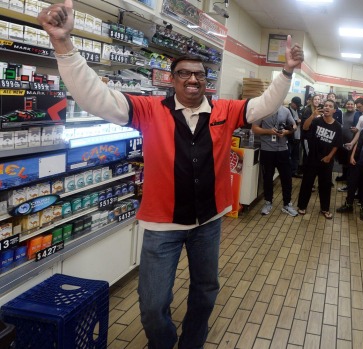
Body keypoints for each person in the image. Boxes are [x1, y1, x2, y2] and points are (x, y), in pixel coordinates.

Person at [37, 1, 305, 347]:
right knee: (152, 305)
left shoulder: (225, 110)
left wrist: (286, 72)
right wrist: (63, 43)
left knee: (206, 291)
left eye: (199, 74)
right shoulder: (149, 110)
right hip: (162, 225)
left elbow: (265, 104)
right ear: (172, 79)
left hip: (209, 221)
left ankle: (192, 341)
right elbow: (95, 97)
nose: (193, 79)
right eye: (183, 73)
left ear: (206, 81)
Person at [297, 99, 342, 219]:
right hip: (312, 158)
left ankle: (325, 209)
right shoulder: (317, 121)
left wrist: (329, 156)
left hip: (327, 161)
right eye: (325, 105)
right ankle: (302, 206)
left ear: (334, 110)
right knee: (307, 183)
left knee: (325, 186)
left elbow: (337, 144)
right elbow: (305, 128)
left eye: (330, 106)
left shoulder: (337, 126)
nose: (327, 107)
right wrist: (312, 115)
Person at [253, 105, 298, 217]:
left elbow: (294, 126)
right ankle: (268, 202)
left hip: (283, 149)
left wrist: (286, 132)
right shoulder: (262, 109)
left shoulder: (285, 110)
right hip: (267, 149)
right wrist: (269, 131)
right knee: (267, 177)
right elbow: (254, 128)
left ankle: (287, 204)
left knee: (286, 178)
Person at [335, 99, 357, 183]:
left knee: (350, 159)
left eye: (351, 104)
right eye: (348, 104)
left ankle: (349, 178)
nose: (350, 106)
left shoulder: (356, 115)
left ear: (354, 105)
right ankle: (344, 175)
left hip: (351, 141)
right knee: (344, 159)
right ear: (345, 105)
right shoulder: (342, 114)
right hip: (342, 140)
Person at [288, 96, 303, 177]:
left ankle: (294, 171)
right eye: (296, 104)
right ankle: (288, 172)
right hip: (290, 137)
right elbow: (286, 123)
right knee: (289, 155)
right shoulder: (288, 110)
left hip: (298, 136)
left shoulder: (299, 111)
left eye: (298, 105)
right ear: (292, 102)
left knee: (295, 156)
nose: (297, 106)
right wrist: (296, 122)